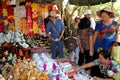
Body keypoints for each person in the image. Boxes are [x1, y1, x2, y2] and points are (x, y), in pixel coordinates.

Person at [92, 7, 118, 77]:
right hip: (98, 46)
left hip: (109, 46)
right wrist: (91, 48)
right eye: (102, 16)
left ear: (110, 15)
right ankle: (94, 76)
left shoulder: (115, 24)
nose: (103, 18)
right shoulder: (99, 24)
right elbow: (95, 35)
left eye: (105, 16)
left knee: (106, 61)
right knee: (97, 60)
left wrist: (116, 42)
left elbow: (116, 34)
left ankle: (103, 76)